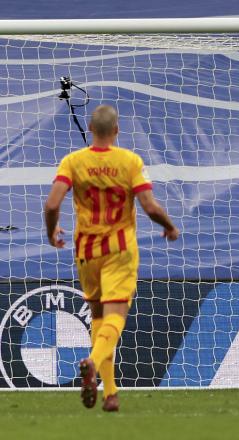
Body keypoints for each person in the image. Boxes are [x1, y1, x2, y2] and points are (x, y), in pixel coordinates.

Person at [44, 104, 179, 411]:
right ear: (117, 131)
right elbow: (149, 206)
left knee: (98, 318)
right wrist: (169, 227)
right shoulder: (129, 161)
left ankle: (111, 393)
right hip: (119, 250)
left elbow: (52, 205)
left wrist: (52, 233)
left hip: (86, 251)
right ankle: (92, 362)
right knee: (115, 317)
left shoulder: (73, 161)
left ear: (90, 129)